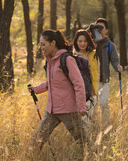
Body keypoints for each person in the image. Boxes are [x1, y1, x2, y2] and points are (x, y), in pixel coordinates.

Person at [28, 30, 87, 159]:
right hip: (52, 110)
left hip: (69, 110)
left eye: (44, 45)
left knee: (84, 143)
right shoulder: (50, 61)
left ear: (53, 43)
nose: (41, 48)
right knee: (37, 141)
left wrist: (82, 107)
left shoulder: (67, 59)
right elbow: (52, 82)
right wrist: (36, 89)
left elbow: (79, 84)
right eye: (40, 45)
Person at [93, 18, 123, 129]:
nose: (99, 30)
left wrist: (117, 67)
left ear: (106, 30)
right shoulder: (90, 43)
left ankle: (106, 127)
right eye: (97, 27)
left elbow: (114, 60)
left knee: (103, 103)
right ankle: (94, 127)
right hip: (92, 80)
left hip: (104, 80)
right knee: (93, 105)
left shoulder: (110, 45)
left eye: (102, 28)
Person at [73, 29, 100, 133]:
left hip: (91, 91)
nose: (82, 44)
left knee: (89, 119)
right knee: (79, 120)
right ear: (76, 42)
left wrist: (95, 91)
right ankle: (81, 142)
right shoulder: (72, 56)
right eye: (80, 41)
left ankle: (87, 143)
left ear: (89, 41)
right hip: (77, 92)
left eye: (85, 41)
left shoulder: (93, 55)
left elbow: (97, 73)